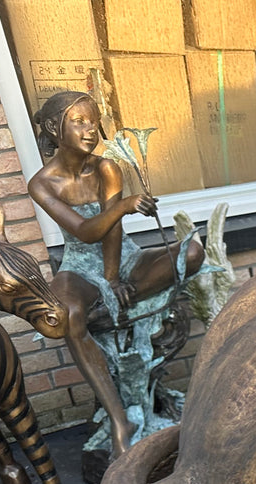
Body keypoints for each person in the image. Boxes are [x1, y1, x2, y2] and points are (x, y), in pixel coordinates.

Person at [26, 90, 202, 455]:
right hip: (79, 265)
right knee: (68, 313)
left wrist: (114, 276)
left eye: (94, 122)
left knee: (193, 252)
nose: (90, 130)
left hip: (122, 258)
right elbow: (87, 232)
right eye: (80, 121)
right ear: (53, 128)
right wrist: (123, 207)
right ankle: (120, 420)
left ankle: (119, 304)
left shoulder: (108, 168)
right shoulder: (42, 184)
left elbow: (114, 235)